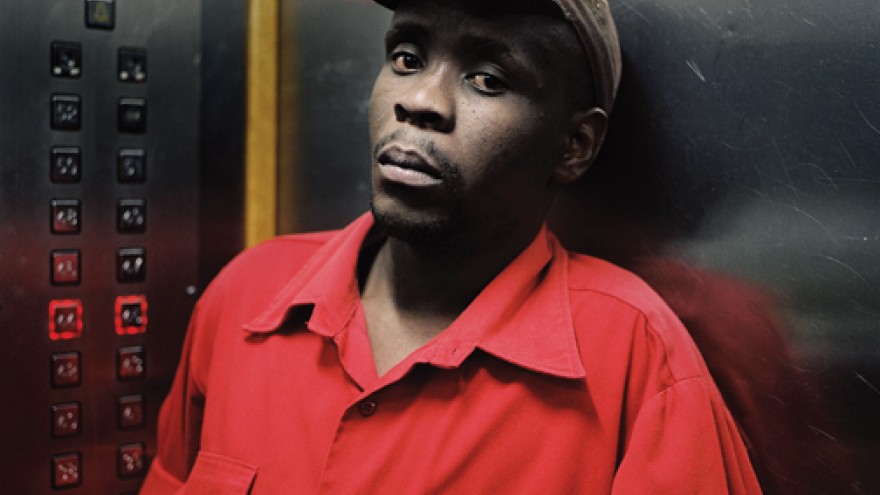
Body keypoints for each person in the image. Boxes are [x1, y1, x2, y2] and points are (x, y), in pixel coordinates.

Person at [141, 0, 761, 492]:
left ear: (575, 146)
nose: (419, 101)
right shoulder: (248, 297)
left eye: (488, 79)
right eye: (407, 57)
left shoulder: (636, 357)